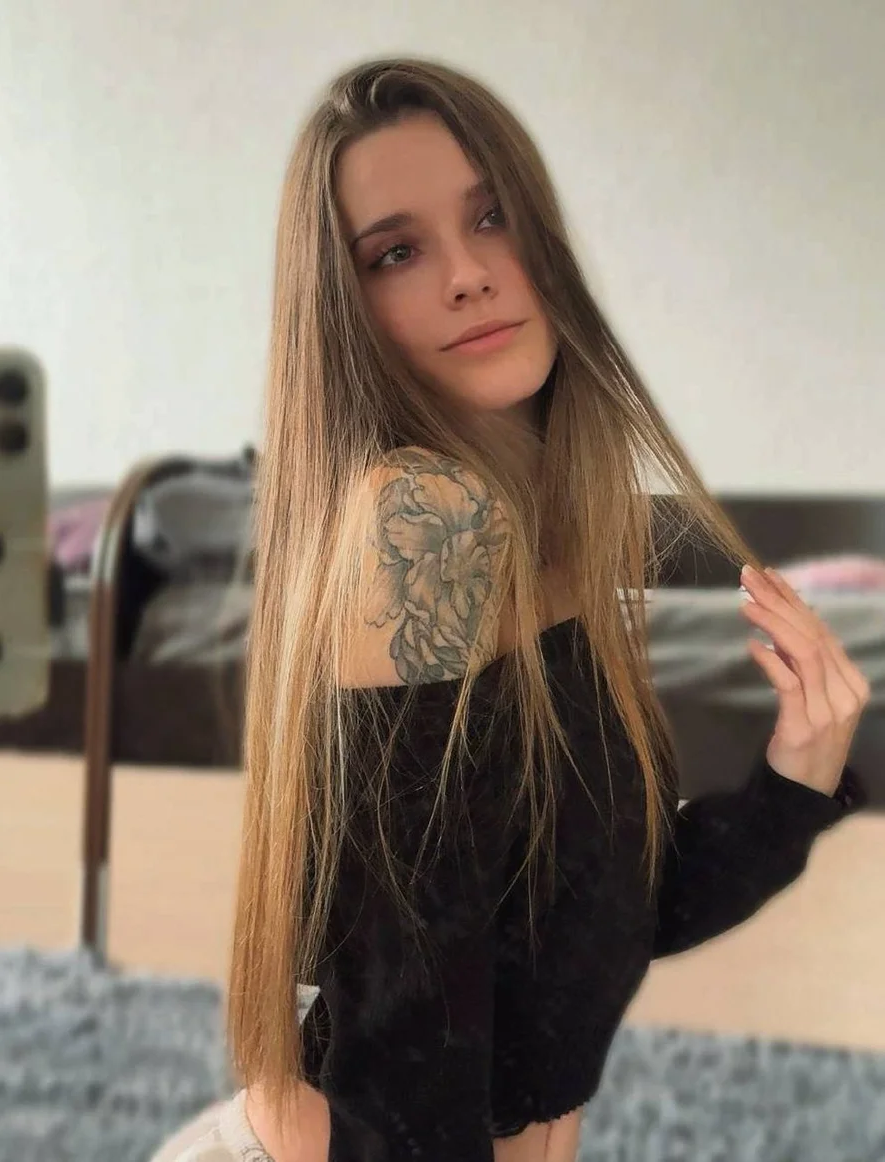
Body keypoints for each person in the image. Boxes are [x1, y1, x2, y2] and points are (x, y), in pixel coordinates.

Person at [151, 55, 871, 1162]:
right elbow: (402, 1065)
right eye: (396, 253)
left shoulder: (550, 516)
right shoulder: (425, 521)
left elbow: (605, 924)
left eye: (492, 218)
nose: (468, 276)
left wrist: (797, 777)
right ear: (347, 310)